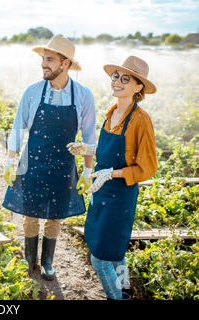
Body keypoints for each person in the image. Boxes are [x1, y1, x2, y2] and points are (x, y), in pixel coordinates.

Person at [2, 35, 96, 280]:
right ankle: (29, 259)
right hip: (32, 161)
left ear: (65, 63)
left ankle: (48, 262)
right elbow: (17, 128)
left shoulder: (83, 96)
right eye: (43, 59)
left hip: (63, 166)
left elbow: (88, 139)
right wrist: (10, 162)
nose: (44, 64)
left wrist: (87, 171)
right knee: (30, 213)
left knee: (55, 215)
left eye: (50, 60)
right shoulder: (33, 92)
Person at [69, 56, 158, 300]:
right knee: (114, 252)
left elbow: (147, 168)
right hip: (102, 191)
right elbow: (112, 150)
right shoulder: (112, 112)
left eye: (125, 78)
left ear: (139, 87)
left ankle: (116, 297)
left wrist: (112, 174)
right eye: (115, 77)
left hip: (120, 197)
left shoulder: (141, 120)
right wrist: (90, 149)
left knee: (99, 259)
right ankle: (125, 289)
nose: (117, 82)